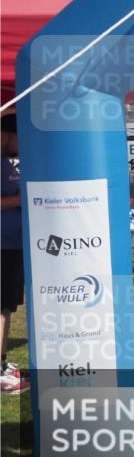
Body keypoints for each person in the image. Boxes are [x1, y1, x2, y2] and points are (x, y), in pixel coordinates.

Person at [0, 114, 28, 394]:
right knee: (1, 309)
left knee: (6, 308)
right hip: (2, 246)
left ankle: (2, 361)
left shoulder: (8, 162)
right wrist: (23, 197)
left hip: (12, 245)